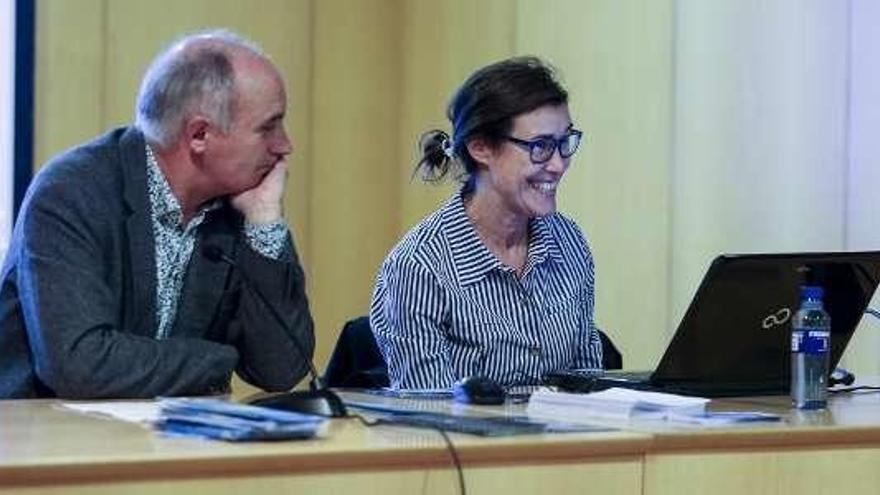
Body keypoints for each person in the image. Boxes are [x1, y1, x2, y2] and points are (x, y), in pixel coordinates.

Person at [0, 30, 314, 399]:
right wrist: (220, 360)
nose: (284, 145)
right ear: (199, 135)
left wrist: (265, 223)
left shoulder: (239, 202)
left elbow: (281, 368)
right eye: (268, 128)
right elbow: (78, 365)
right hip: (49, 441)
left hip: (166, 445)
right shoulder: (73, 191)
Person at [369, 57, 603, 389]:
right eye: (540, 147)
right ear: (481, 147)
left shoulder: (568, 241)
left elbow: (587, 384)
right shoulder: (419, 266)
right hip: (470, 440)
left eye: (565, 143)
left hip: (562, 438)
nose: (558, 164)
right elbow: (430, 418)